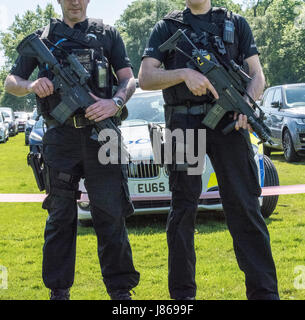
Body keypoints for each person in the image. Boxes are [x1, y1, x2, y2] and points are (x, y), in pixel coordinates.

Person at [139, 0, 279, 300]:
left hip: (230, 122)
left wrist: (247, 105)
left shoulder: (235, 22)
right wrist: (183, 75)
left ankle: (264, 293)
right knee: (182, 210)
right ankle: (182, 296)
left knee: (245, 206)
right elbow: (146, 77)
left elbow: (257, 75)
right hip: (181, 121)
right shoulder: (167, 26)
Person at [5, 0, 140, 300]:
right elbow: (10, 82)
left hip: (103, 137)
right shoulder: (42, 39)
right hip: (60, 138)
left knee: (111, 215)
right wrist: (31, 86)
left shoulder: (107, 34)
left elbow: (129, 79)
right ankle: (58, 291)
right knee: (60, 217)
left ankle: (121, 294)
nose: (75, 2)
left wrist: (114, 102)